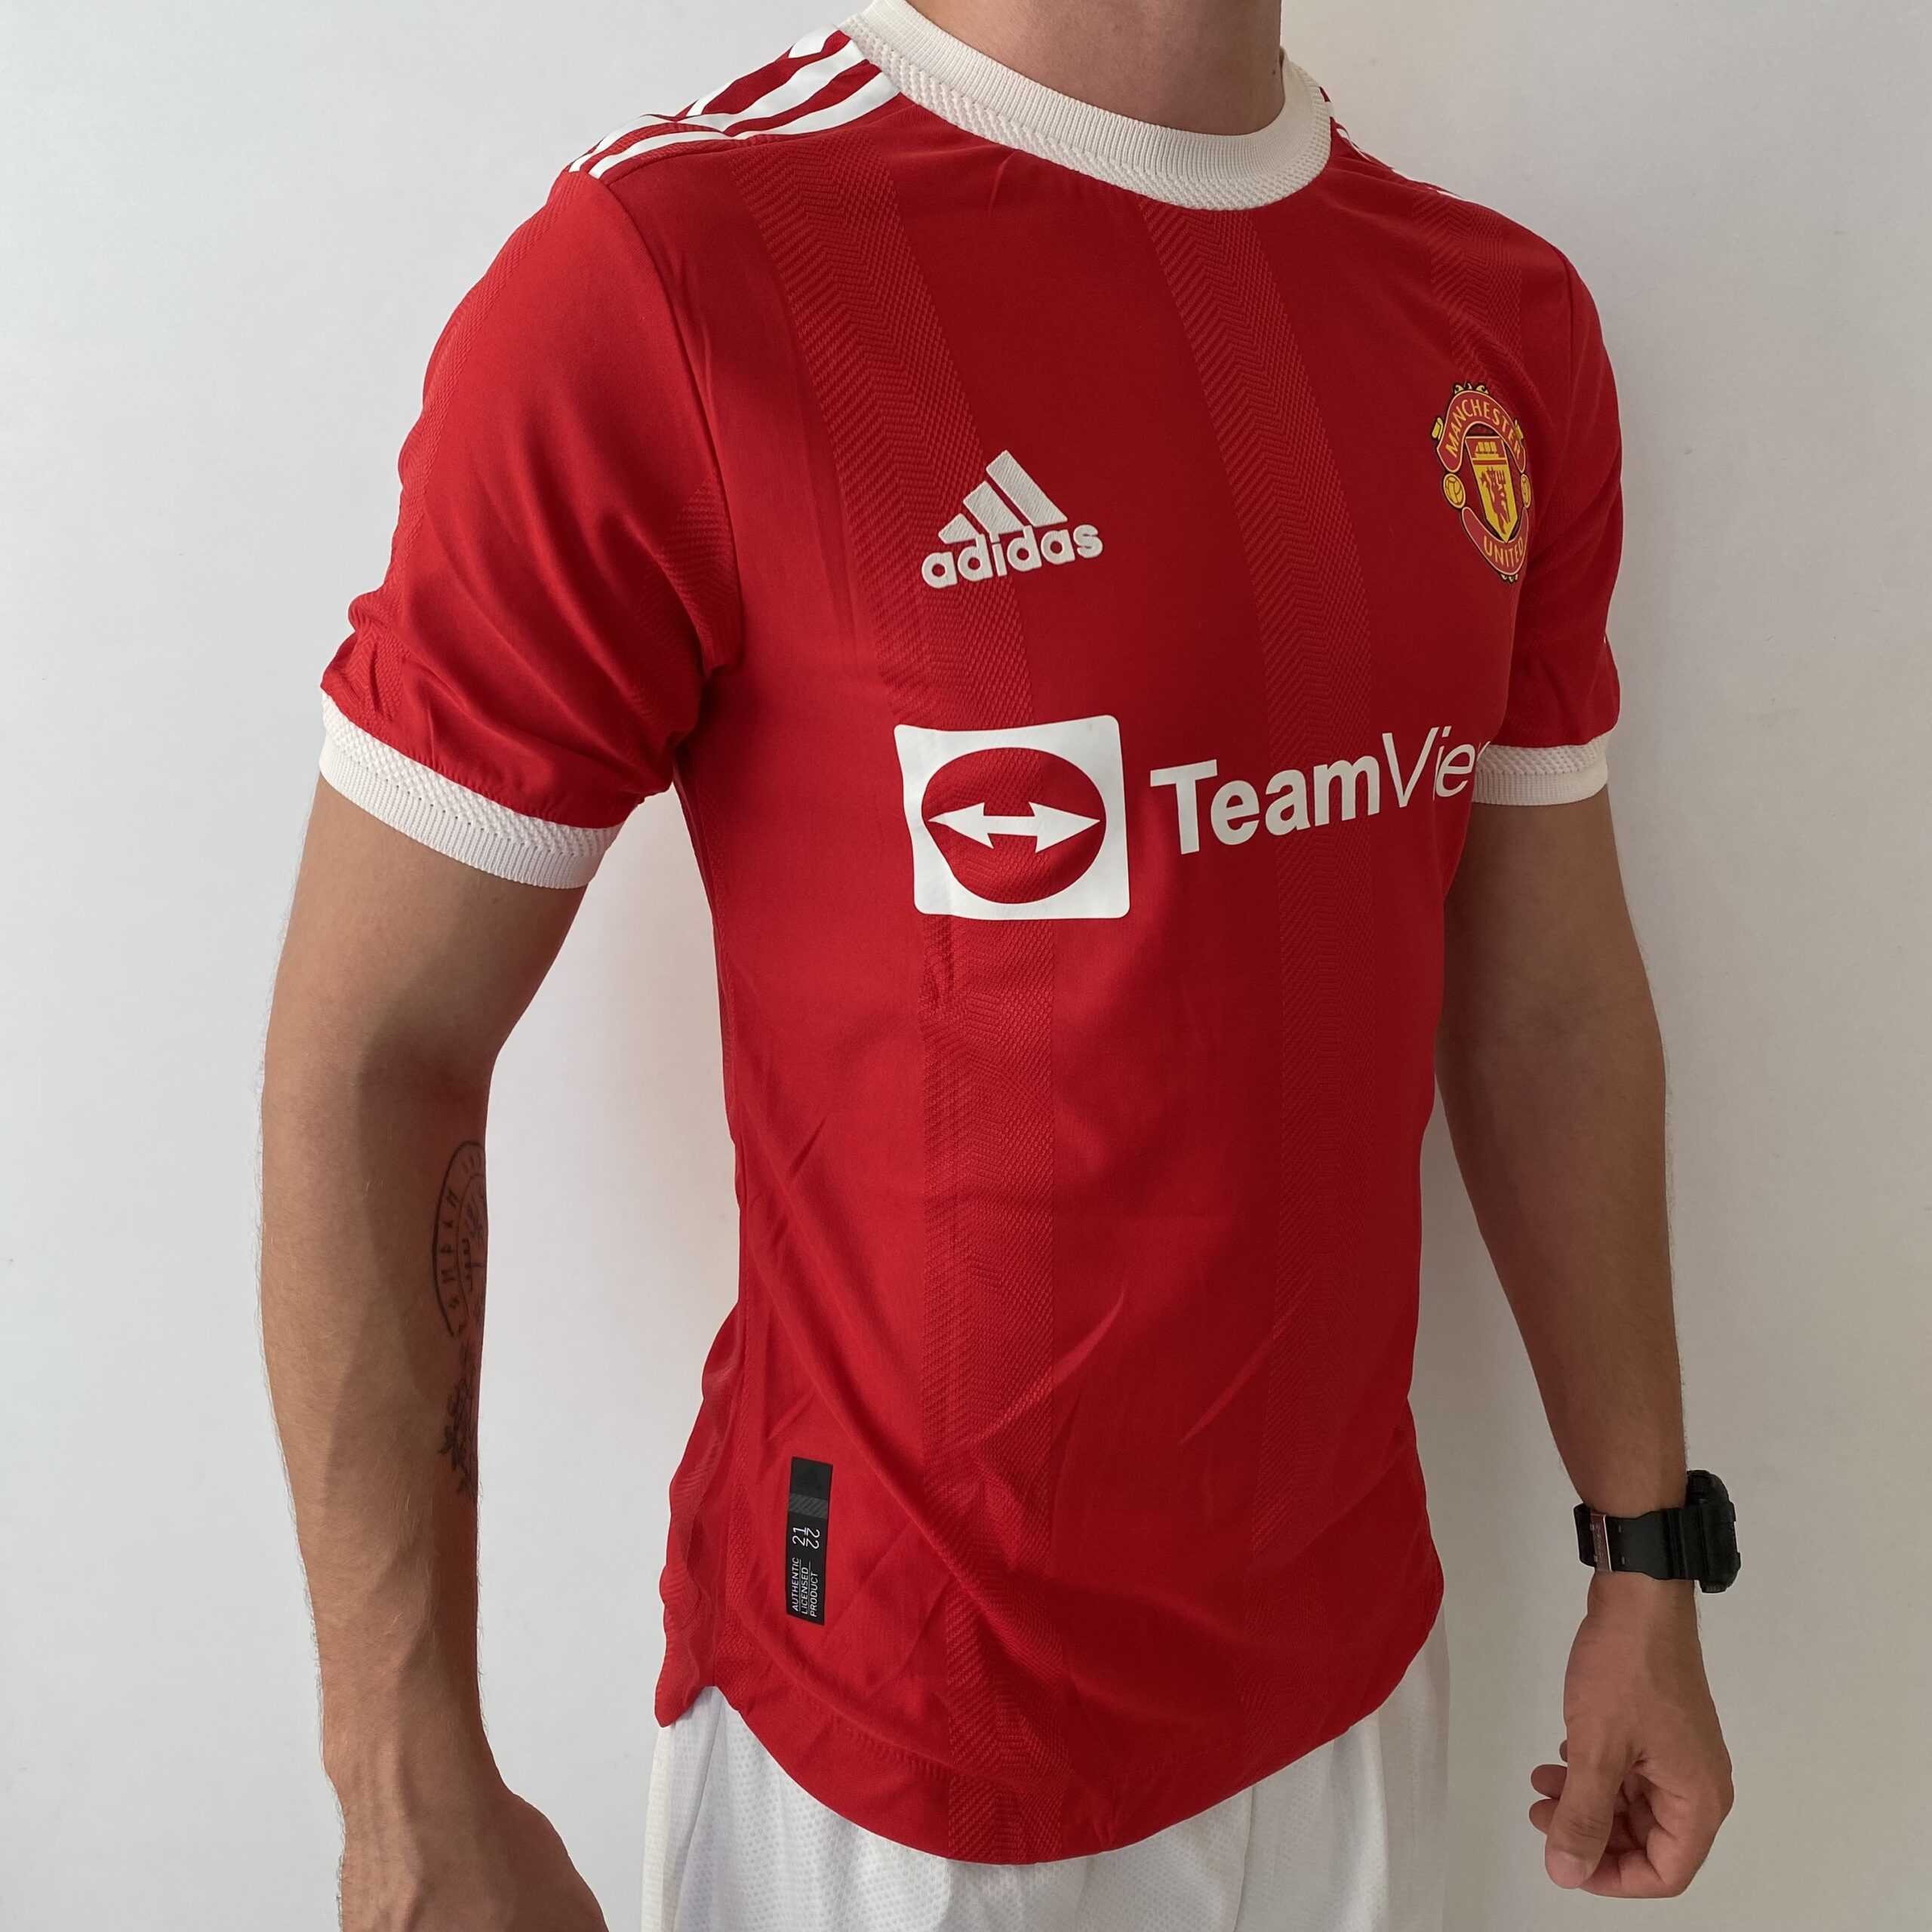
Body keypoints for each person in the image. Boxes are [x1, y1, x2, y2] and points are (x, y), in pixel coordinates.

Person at [260, 2, 1736, 1927]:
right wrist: (402, 1777)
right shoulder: (676, 274)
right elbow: (376, 1050)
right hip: (897, 1753)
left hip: (1357, 1691)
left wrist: (1644, 1550)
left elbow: (1545, 1003)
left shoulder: (1491, 319)